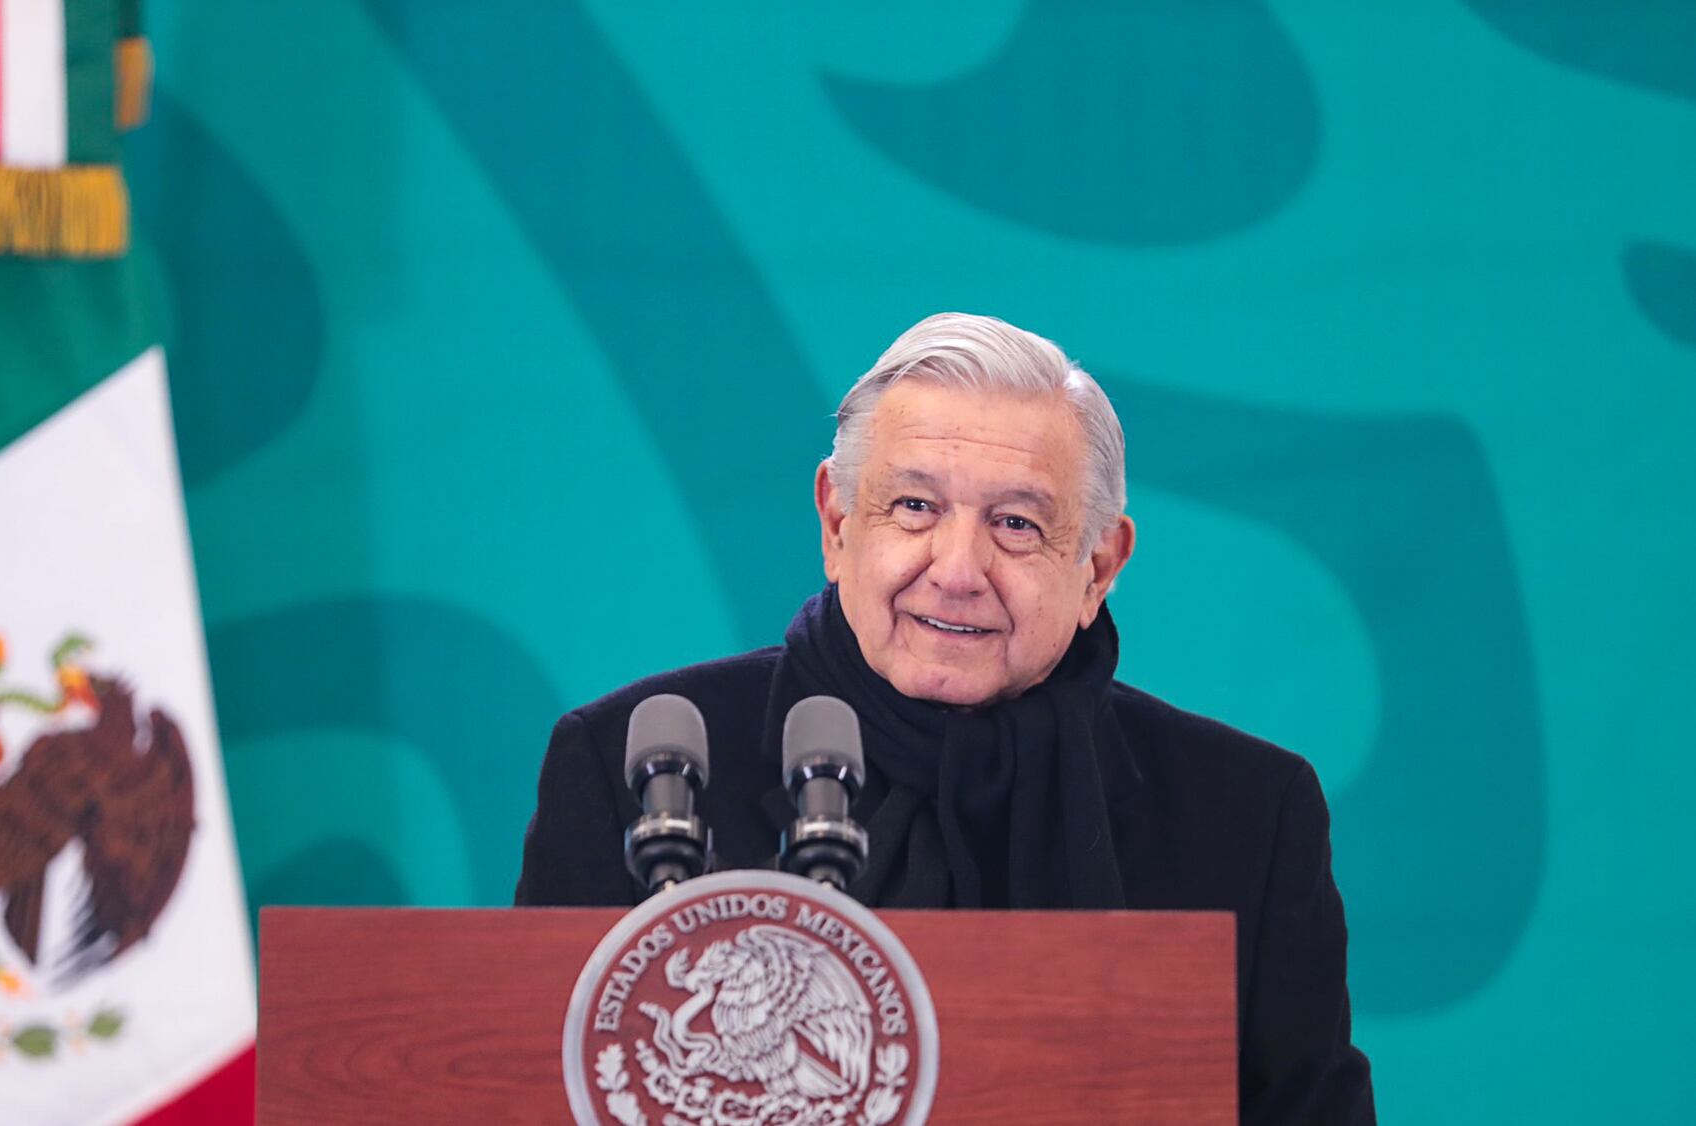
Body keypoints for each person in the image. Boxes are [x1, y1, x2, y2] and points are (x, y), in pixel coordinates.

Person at [516, 312, 1375, 1122]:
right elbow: (518, 1095)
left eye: (1015, 523)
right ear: (837, 522)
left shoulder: (1248, 813)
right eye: (916, 507)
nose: (957, 570)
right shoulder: (636, 767)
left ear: (1099, 566)